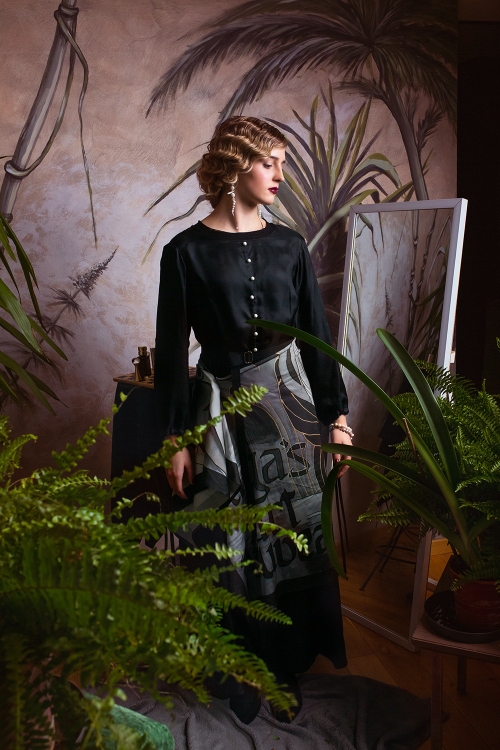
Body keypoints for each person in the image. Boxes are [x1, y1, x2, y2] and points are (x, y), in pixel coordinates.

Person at [154, 116, 352, 724]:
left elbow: (316, 337)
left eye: (284, 163)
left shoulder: (290, 246)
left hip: (288, 407)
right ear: (238, 165)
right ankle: (236, 668)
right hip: (218, 412)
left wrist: (337, 418)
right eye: (272, 162)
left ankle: (285, 664)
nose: (280, 175)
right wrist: (176, 438)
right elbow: (170, 351)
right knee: (226, 542)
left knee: (290, 537)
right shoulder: (184, 252)